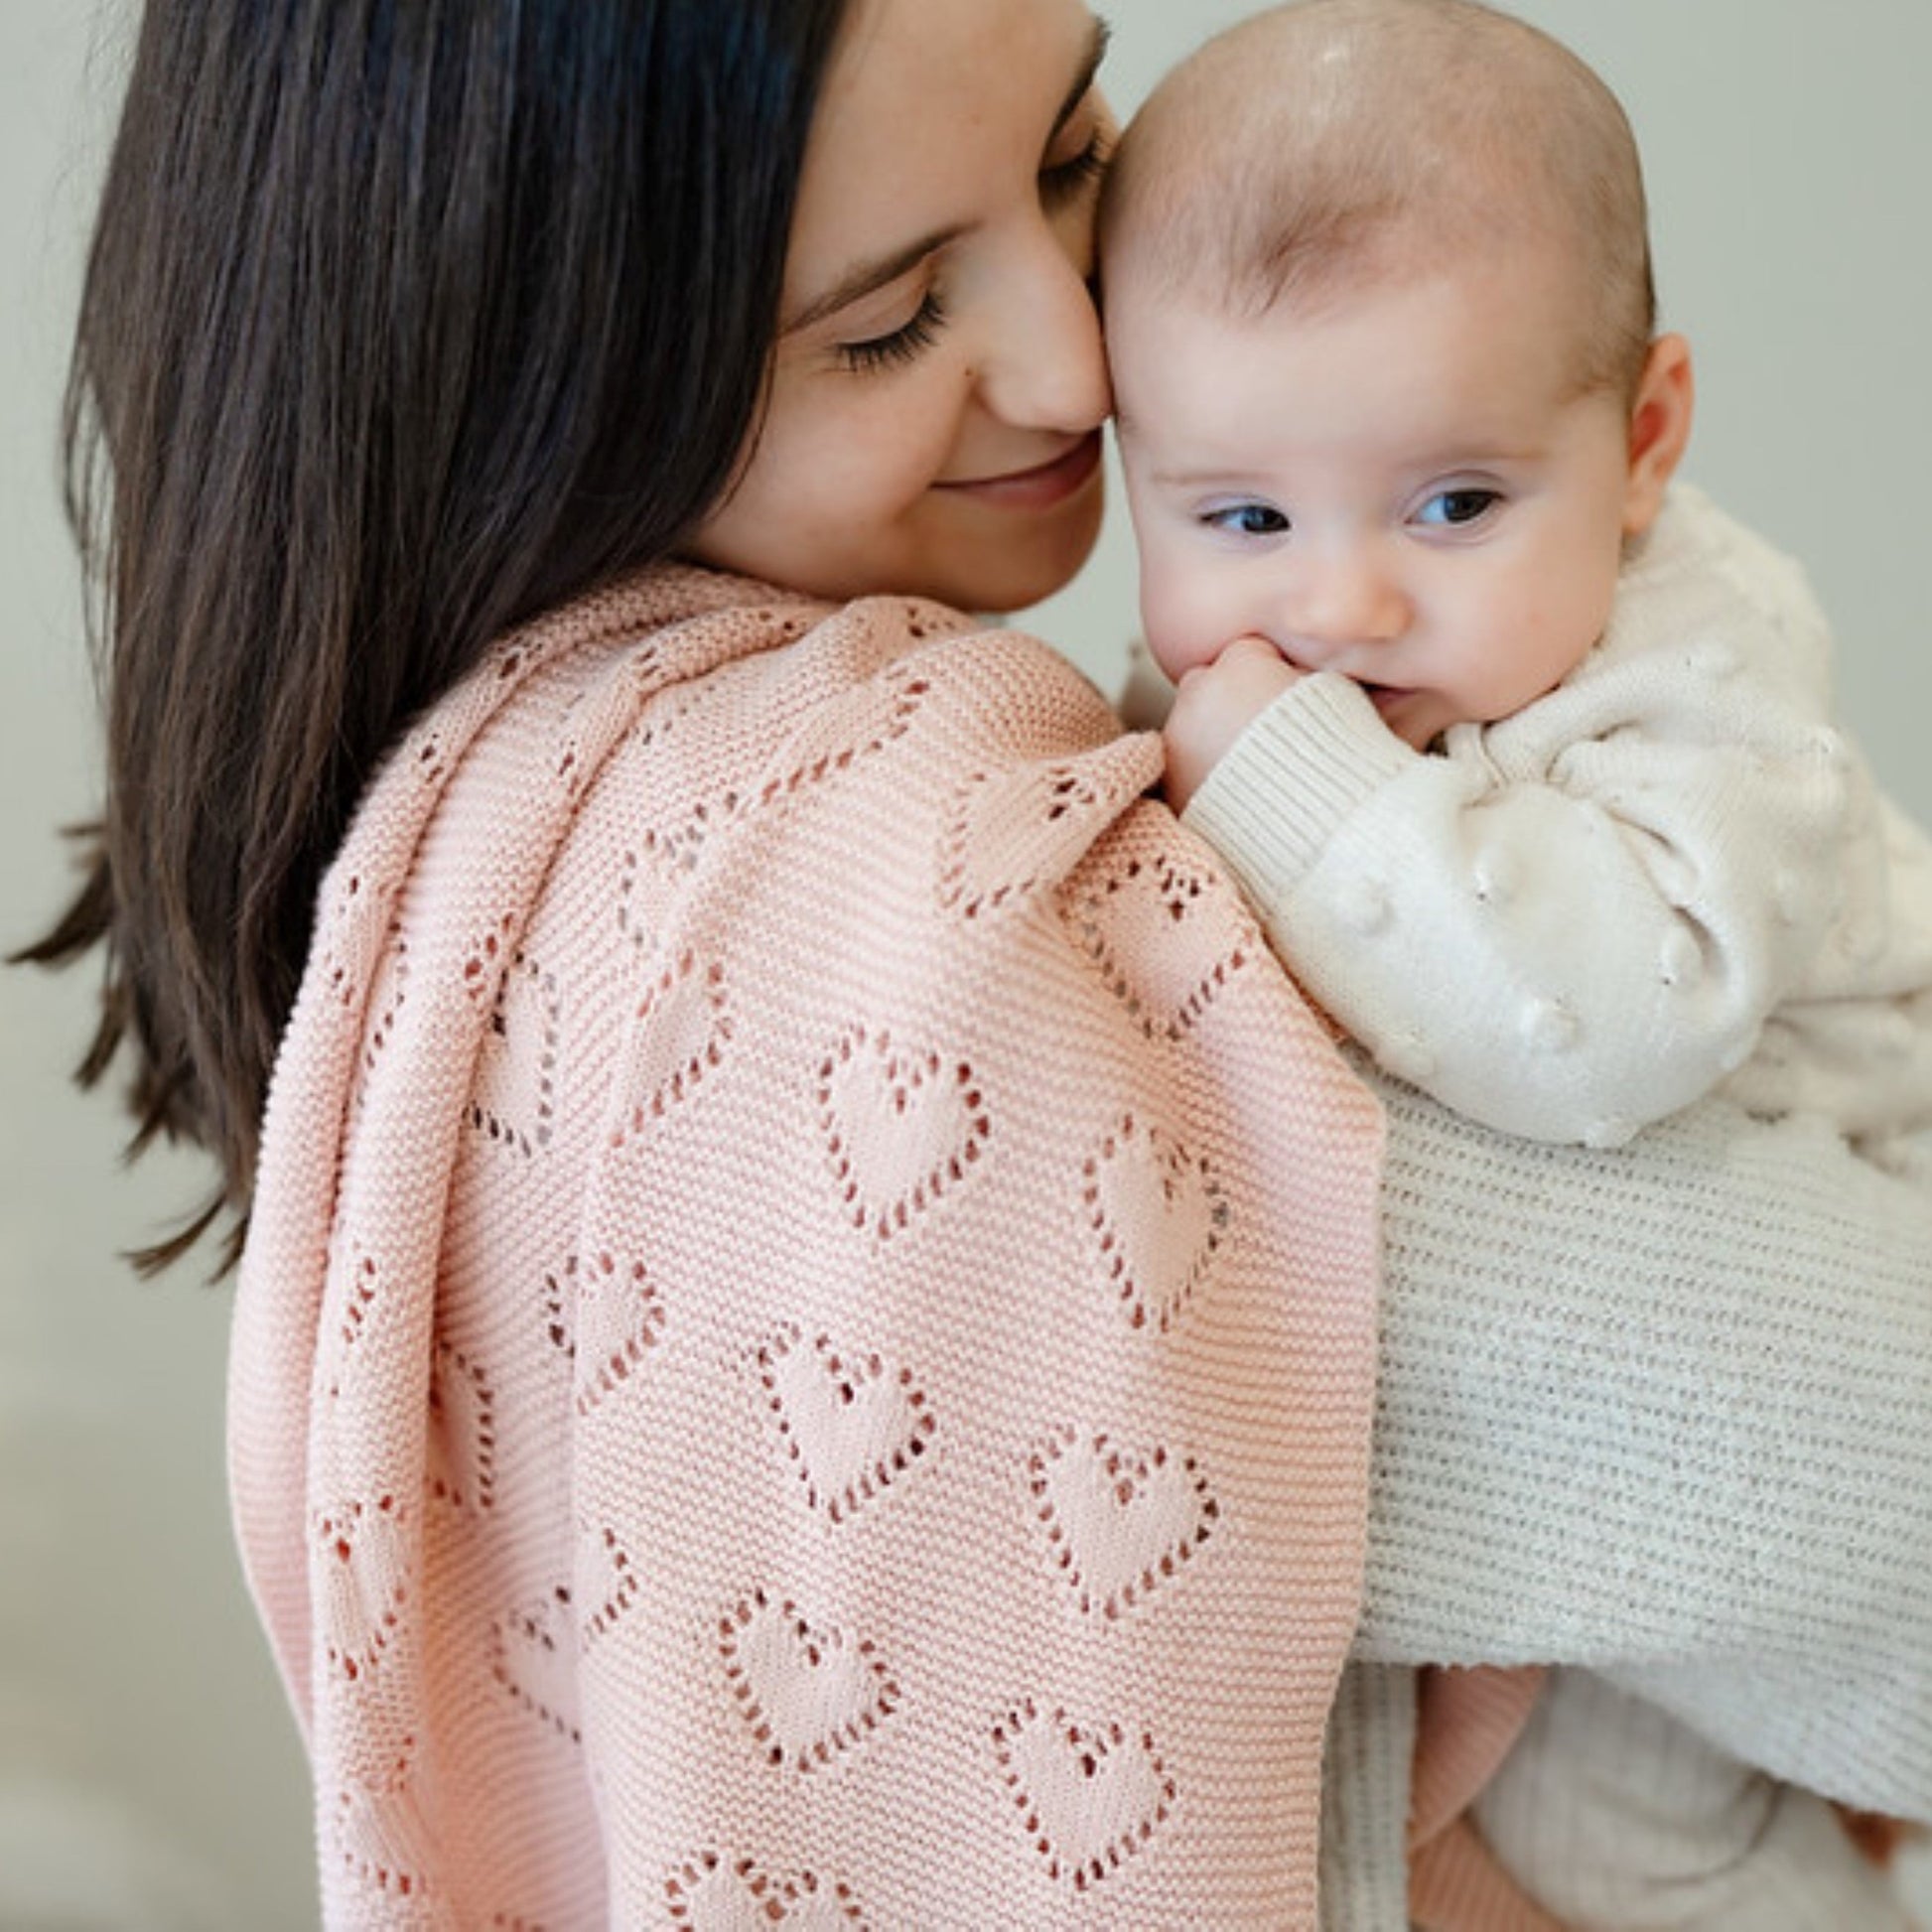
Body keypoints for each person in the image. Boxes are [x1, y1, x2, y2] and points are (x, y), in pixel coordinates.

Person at [21, 1, 1932, 1925]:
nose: (1081, 357)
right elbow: (1864, 1474)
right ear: (541, 375)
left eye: (1072, 158)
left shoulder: (484, 844)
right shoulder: (866, 866)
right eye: (888, 319)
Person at [1099, 0, 1932, 1923]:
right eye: (1239, 515)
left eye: (1454, 503)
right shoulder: (1307, 683)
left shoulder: (1705, 672)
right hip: (1556, 1462)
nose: (1341, 602)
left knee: (1649, 1857)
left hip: (1812, 1297)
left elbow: (1601, 1027)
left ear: (1641, 441)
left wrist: (1287, 787)